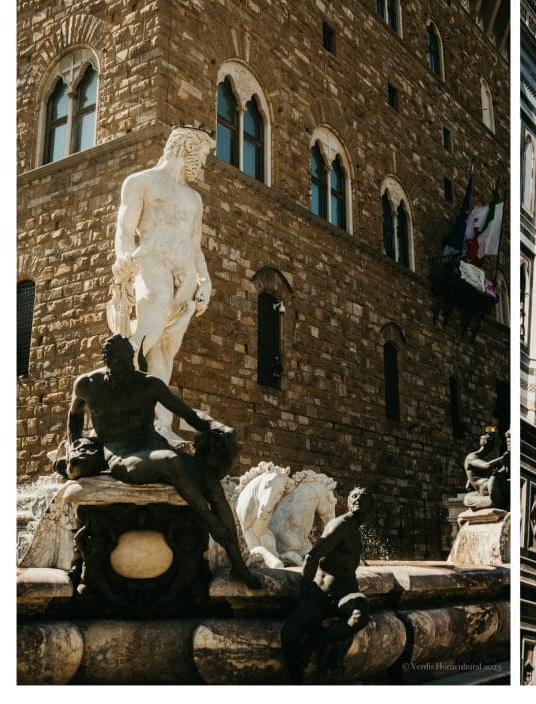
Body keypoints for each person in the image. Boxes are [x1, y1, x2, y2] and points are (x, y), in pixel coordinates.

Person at [61, 333, 260, 588]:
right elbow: (74, 415)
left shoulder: (148, 384)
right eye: (118, 361)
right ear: (107, 361)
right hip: (121, 454)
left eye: (128, 360)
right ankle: (213, 525)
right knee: (171, 461)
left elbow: (189, 414)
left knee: (212, 484)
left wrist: (219, 427)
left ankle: (238, 565)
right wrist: (75, 447)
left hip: (152, 445)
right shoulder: (87, 384)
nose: (125, 366)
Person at [107, 126, 215, 437]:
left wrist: (205, 280)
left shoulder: (194, 199)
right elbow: (125, 229)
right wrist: (124, 259)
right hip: (152, 260)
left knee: (166, 350)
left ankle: (160, 425)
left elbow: (195, 246)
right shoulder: (141, 182)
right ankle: (118, 402)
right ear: (187, 148)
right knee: (150, 331)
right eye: (202, 156)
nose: (203, 164)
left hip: (186, 274)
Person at [281, 487, 373, 683]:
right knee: (289, 632)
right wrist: (304, 593)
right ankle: (296, 680)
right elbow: (311, 557)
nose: (357, 499)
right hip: (321, 595)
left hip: (345, 596)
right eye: (354, 496)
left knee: (361, 615)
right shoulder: (340, 525)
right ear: (348, 503)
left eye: (363, 497)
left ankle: (313, 643)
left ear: (371, 506)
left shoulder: (354, 529)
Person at [462, 427, 509, 510]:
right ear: (487, 443)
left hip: (487, 485)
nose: (494, 448)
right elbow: (487, 466)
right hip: (485, 487)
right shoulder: (472, 457)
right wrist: (503, 457)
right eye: (493, 445)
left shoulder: (485, 458)